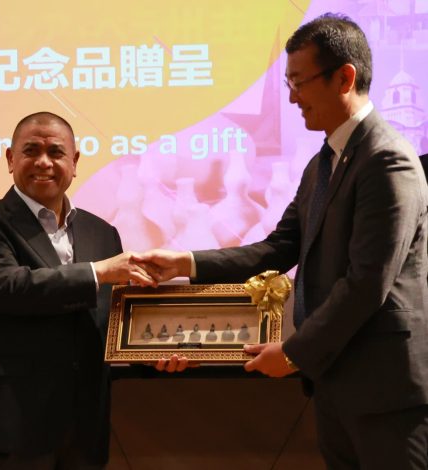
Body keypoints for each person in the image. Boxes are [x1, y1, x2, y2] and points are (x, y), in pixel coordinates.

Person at [135, 13, 428, 469]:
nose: (291, 98)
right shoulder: (322, 164)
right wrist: (186, 262)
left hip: (382, 390)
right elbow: (277, 249)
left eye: (299, 82)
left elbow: (368, 282)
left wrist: (293, 354)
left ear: (344, 78)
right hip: (335, 382)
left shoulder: (387, 160)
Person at [0, 111, 186, 469]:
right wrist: (98, 272)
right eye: (31, 151)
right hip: (18, 424)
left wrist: (153, 350)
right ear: (10, 159)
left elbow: (113, 320)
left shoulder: (102, 232)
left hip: (86, 426)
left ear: (74, 162)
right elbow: (7, 288)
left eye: (56, 152)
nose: (43, 162)